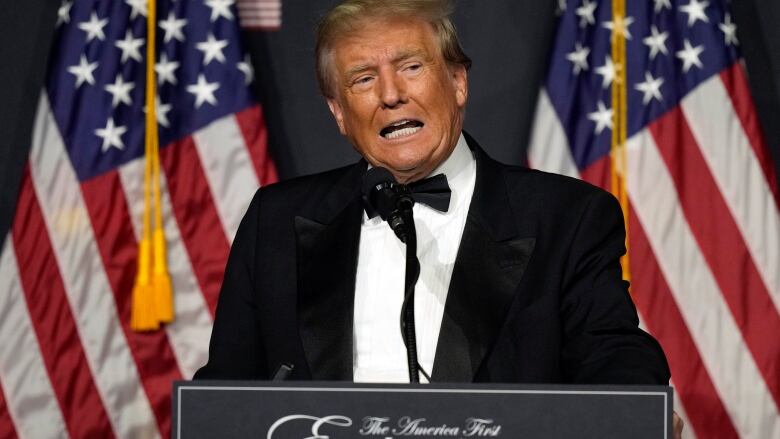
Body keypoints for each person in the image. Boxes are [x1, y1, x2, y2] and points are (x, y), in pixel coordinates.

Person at [196, 0, 673, 419]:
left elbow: (614, 354)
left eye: (411, 67)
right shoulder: (275, 219)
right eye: (363, 79)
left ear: (457, 82)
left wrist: (636, 413)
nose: (390, 94)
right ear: (339, 112)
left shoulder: (566, 217)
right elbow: (225, 389)